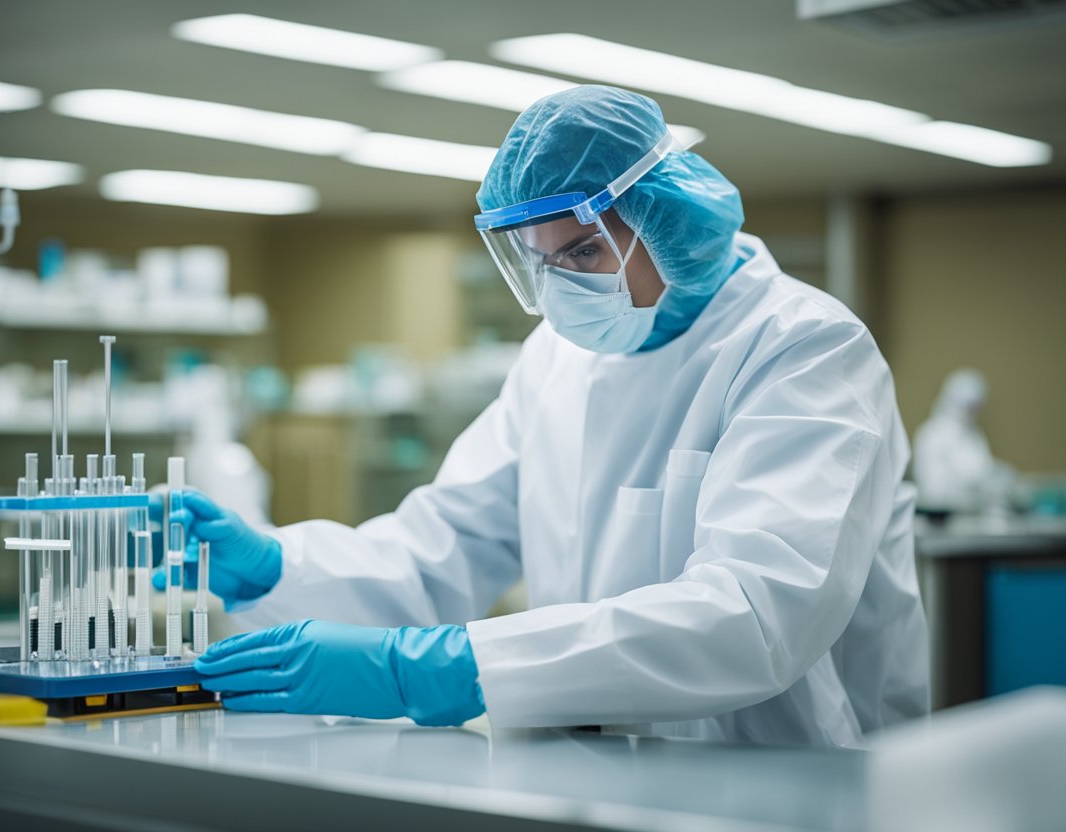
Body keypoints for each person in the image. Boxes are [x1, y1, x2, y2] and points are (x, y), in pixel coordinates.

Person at [159, 85, 929, 746]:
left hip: (790, 776)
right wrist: (276, 567)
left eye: (582, 253)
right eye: (538, 259)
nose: (559, 286)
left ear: (669, 219)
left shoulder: (803, 348)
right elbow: (450, 543)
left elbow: (755, 615)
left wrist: (453, 668)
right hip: (590, 770)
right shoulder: (558, 359)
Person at [913, 368, 1012, 514]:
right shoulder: (931, 435)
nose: (972, 412)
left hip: (974, 517)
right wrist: (972, 484)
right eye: (969, 406)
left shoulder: (974, 436)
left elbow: (984, 468)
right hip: (942, 522)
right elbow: (932, 491)